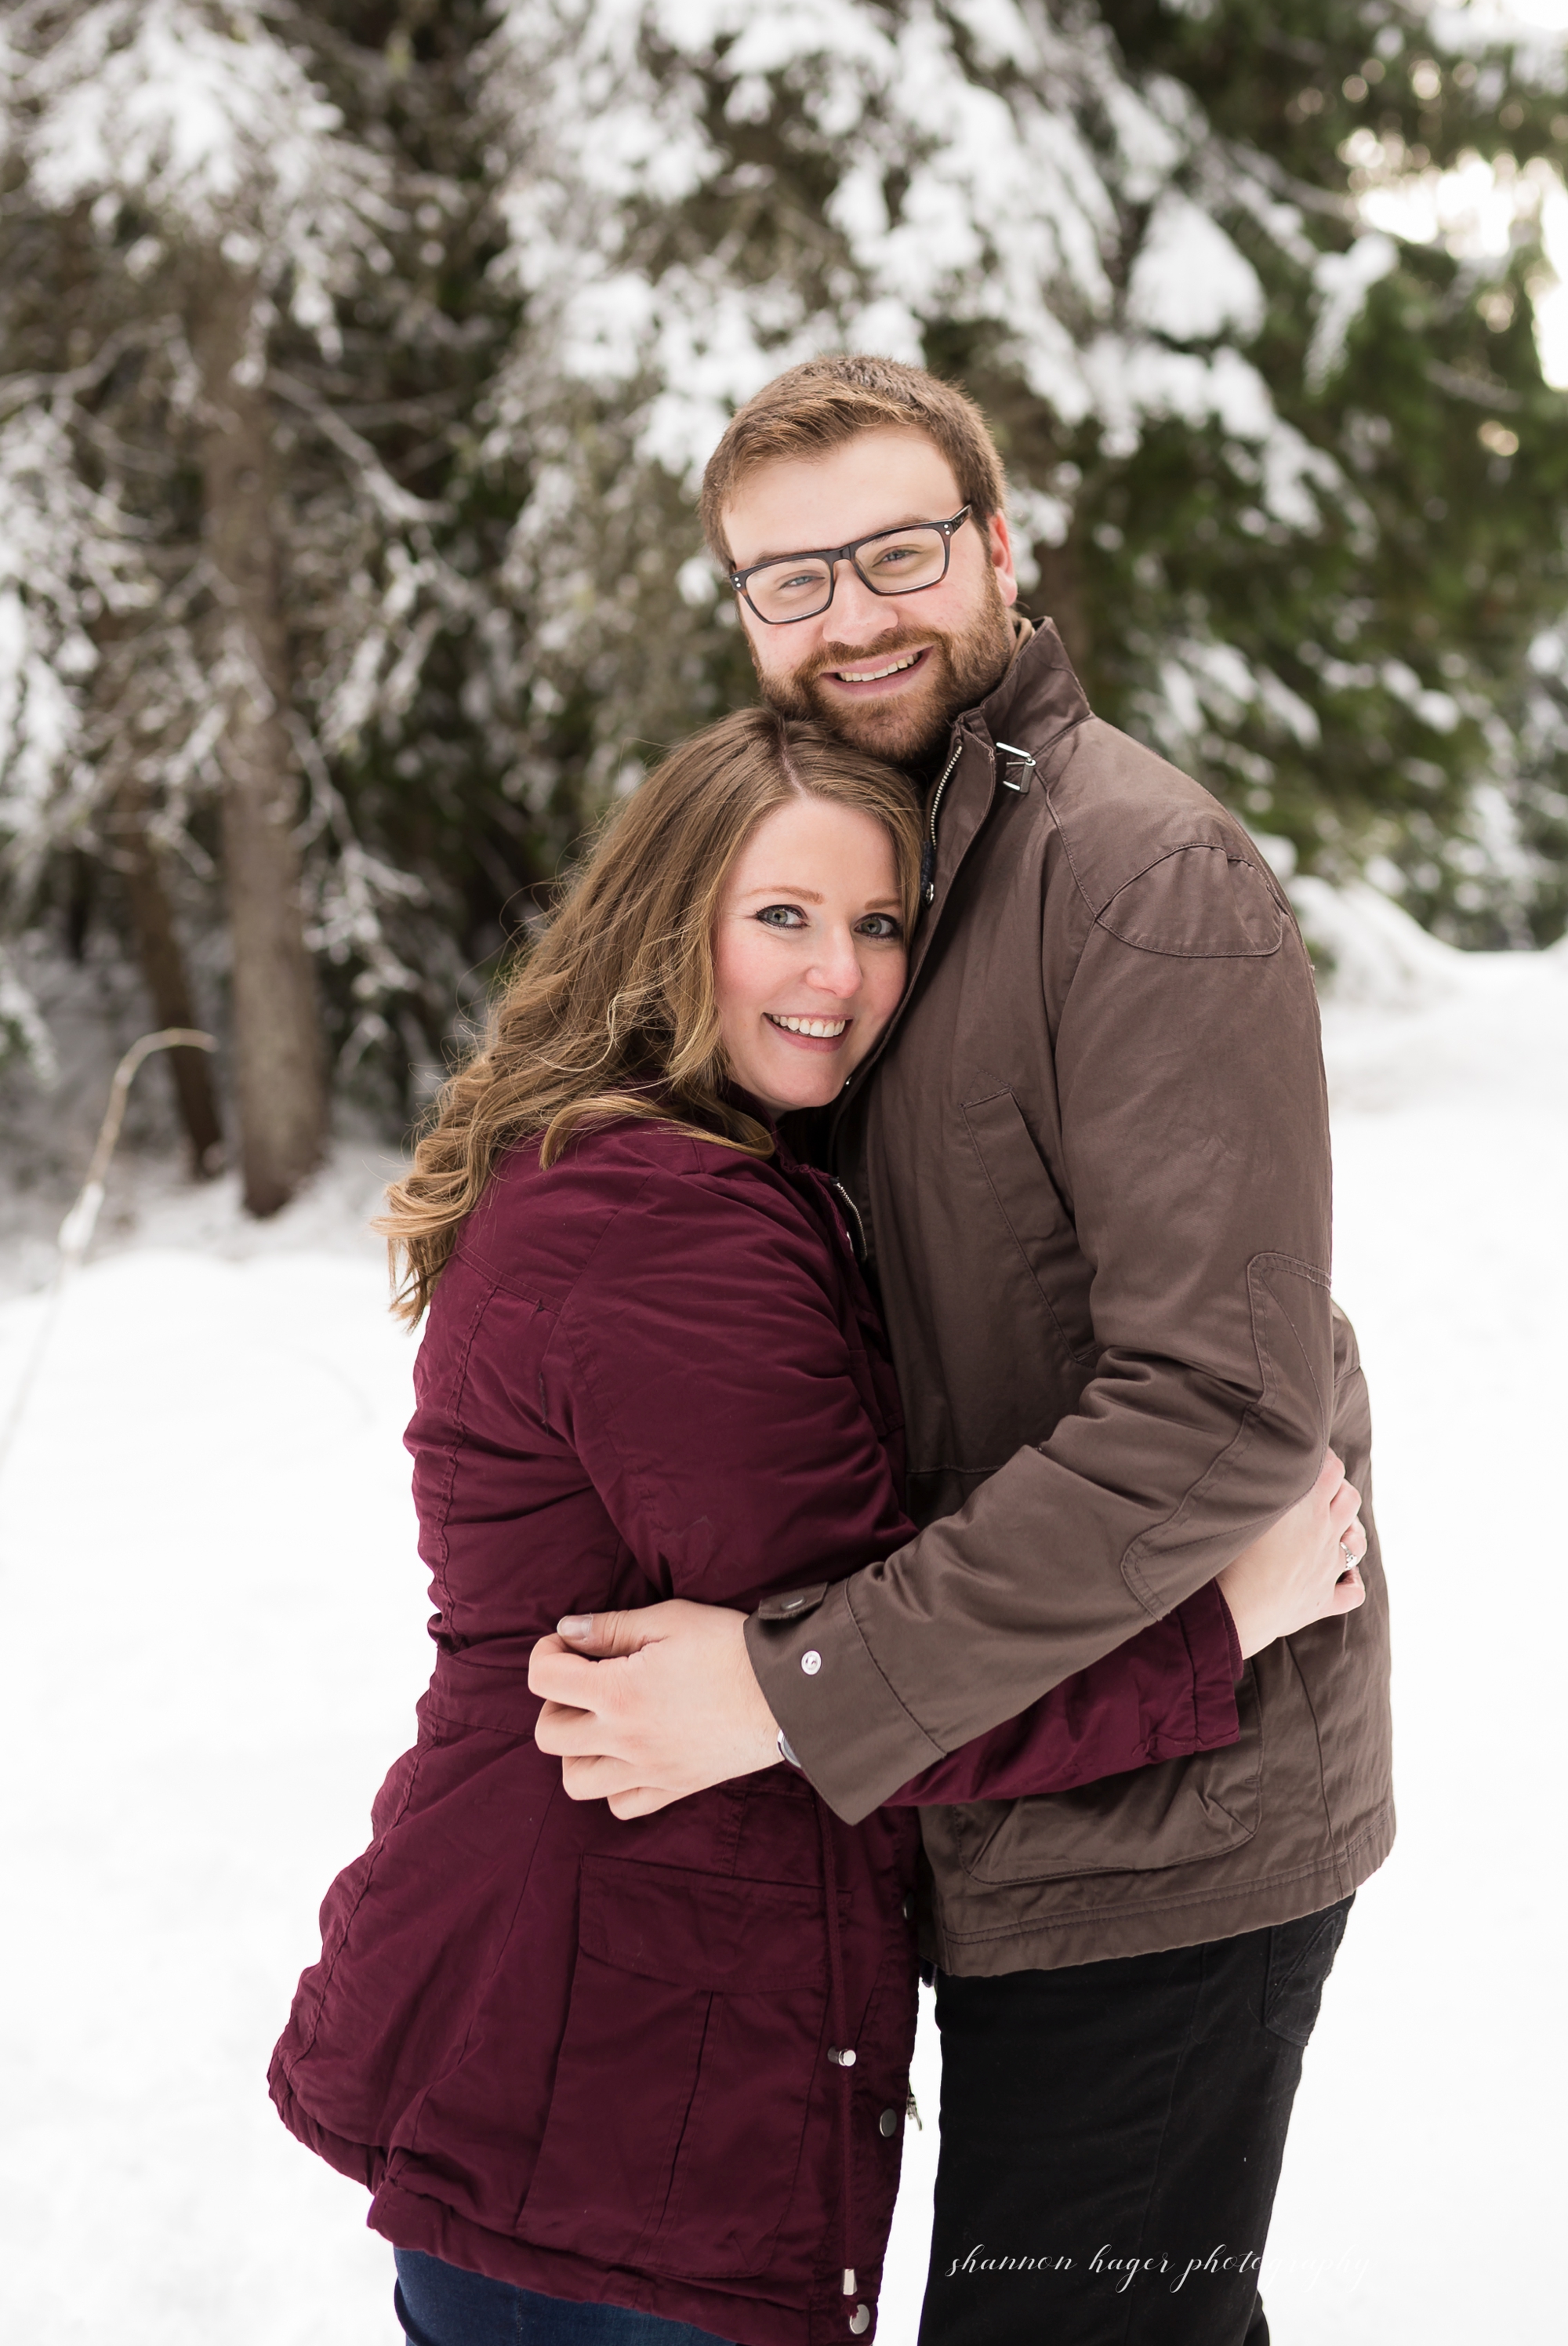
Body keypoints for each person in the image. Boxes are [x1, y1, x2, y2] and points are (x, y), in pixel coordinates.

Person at [269, 706, 1365, 2346]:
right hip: (611, 2092)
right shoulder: (661, 1231)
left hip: (607, 2065)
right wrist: (1214, 1627)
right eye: (781, 914)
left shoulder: (710, 1168)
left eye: (876, 924)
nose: (836, 974)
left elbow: (802, 1677)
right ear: (671, 918)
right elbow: (863, 1678)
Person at [527, 357, 1394, 2346]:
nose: (853, 614)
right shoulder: (869, 880)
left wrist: (795, 1686)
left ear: (999, 550)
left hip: (1174, 1834)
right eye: (789, 578)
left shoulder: (1134, 873)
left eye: (898, 550)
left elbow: (1214, 1413)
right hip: (996, 1782)